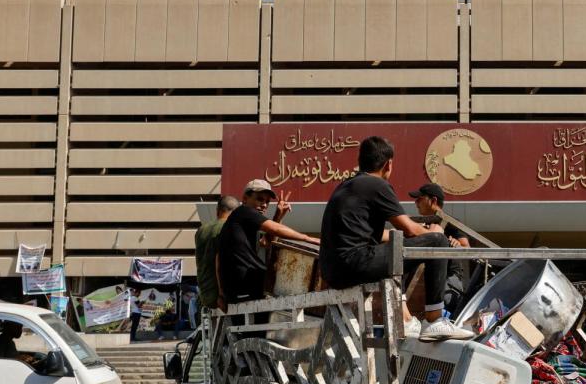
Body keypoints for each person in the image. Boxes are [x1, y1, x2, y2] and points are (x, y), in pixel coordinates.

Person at [319, 136, 473, 341]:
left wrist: (415, 234)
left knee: (395, 249)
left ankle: (405, 319)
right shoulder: (377, 185)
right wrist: (435, 234)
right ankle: (434, 320)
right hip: (354, 264)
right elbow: (409, 230)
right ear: (388, 164)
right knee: (437, 242)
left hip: (333, 272)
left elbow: (380, 235)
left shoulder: (346, 185)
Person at [217, 180, 320, 308]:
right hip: (245, 286)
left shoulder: (243, 222)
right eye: (260, 199)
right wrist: (309, 239)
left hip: (240, 288)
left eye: (267, 202)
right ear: (245, 198)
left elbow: (266, 242)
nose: (264, 205)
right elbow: (276, 229)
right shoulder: (244, 212)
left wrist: (278, 215)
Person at [409, 182, 471, 315]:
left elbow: (466, 247)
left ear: (433, 200)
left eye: (420, 199)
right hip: (431, 276)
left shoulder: (449, 222)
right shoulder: (423, 223)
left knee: (448, 310)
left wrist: (457, 244)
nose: (416, 202)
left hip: (449, 277)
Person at [195, 195, 239, 311]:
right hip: (222, 296)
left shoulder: (201, 230)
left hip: (206, 294)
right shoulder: (229, 228)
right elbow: (220, 263)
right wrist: (221, 294)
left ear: (218, 211)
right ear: (236, 213)